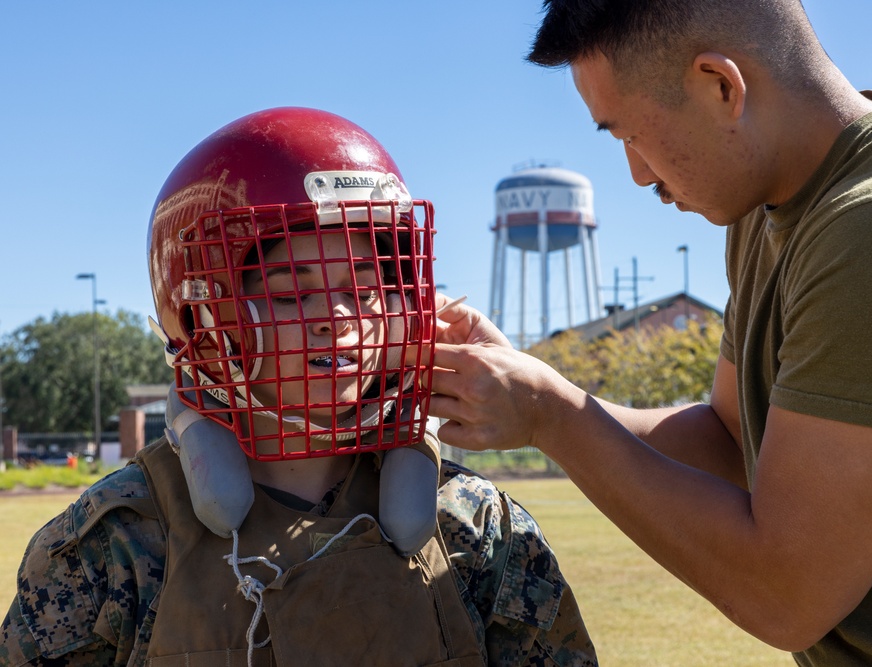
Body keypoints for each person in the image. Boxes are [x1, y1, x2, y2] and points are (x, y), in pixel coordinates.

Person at [424, 1, 872, 665]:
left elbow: (787, 594)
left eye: (628, 135)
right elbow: (728, 441)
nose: (636, 174)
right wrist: (534, 386)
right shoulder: (765, 209)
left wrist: (554, 417)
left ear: (721, 85)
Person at [0, 107, 597, 667]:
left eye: (363, 291)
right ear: (203, 320)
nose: (337, 319)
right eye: (289, 292)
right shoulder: (113, 548)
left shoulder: (476, 528)